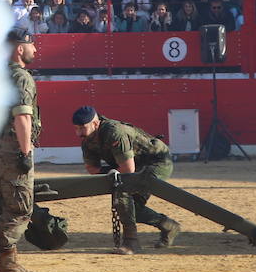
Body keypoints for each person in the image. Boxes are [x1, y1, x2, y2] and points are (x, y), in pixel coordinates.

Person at [72, 106, 181, 254]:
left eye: (82, 128)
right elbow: (92, 169)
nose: (78, 133)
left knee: (125, 199)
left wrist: (114, 172)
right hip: (133, 166)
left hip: (156, 161)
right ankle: (167, 225)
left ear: (95, 124)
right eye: (76, 128)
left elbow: (128, 170)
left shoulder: (115, 132)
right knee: (131, 208)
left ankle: (131, 242)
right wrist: (111, 172)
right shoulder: (88, 140)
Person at [0, 29, 43, 272]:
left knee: (3, 204)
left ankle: (5, 262)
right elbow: (22, 116)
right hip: (12, 150)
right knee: (20, 207)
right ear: (20, 49)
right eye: (32, 45)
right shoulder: (21, 78)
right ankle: (8, 266)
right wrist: (25, 151)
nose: (36, 50)